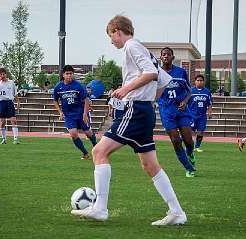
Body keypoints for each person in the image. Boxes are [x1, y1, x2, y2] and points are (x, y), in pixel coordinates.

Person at [71, 15, 187, 226]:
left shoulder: (132, 46)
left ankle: (100, 208)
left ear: (117, 31)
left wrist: (126, 90)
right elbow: (164, 80)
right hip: (143, 110)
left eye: (111, 36)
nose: (111, 41)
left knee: (99, 152)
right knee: (150, 165)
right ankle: (177, 212)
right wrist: (150, 100)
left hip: (135, 110)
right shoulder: (143, 49)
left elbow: (151, 73)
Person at [158, 47, 196, 177]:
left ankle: (190, 153)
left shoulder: (180, 72)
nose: (166, 56)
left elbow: (189, 91)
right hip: (166, 111)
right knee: (175, 140)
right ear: (161, 57)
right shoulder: (156, 73)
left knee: (188, 141)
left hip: (181, 110)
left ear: (173, 57)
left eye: (168, 54)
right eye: (163, 55)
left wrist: (185, 101)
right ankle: (189, 168)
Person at [53, 65, 97, 160]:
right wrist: (60, 112)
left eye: (71, 73)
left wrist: (85, 114)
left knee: (88, 133)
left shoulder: (78, 85)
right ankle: (85, 153)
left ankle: (96, 147)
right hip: (69, 115)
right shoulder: (58, 87)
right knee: (73, 134)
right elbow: (55, 100)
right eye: (67, 74)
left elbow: (86, 100)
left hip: (80, 113)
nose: (69, 75)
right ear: (63, 75)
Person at [0, 67, 20, 145]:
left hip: (10, 102)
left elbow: (15, 93)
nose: (2, 75)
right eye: (1, 74)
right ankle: (4, 139)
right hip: (2, 102)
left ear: (6, 74)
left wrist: (18, 102)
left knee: (13, 120)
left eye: (3, 74)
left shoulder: (11, 82)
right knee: (2, 122)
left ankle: (15, 138)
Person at [188, 74, 213, 153]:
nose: (199, 82)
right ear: (195, 82)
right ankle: (186, 145)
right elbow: (185, 102)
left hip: (202, 116)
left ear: (203, 82)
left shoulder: (207, 92)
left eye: (201, 80)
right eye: (198, 80)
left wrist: (210, 112)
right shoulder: (190, 91)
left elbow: (210, 103)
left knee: (201, 131)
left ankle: (197, 147)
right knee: (188, 131)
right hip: (192, 115)